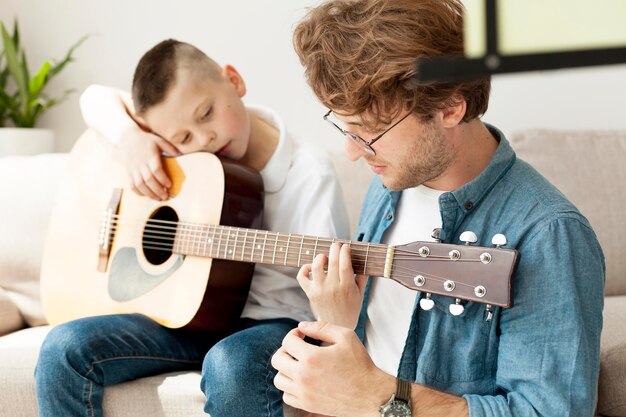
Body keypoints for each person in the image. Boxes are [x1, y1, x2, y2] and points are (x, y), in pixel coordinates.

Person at [271, 1, 605, 416]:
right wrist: (339, 322)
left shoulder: (548, 233)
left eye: (370, 133)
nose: (353, 154)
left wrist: (381, 397)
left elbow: (549, 411)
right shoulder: (389, 185)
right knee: (234, 367)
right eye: (346, 129)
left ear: (450, 107)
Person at [34, 39, 349, 417]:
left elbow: (328, 300)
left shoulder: (309, 174)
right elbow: (94, 98)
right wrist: (131, 140)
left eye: (206, 114)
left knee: (231, 364)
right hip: (186, 318)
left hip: (270, 323)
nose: (203, 140)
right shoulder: (183, 159)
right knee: (62, 348)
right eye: (182, 138)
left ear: (233, 80)